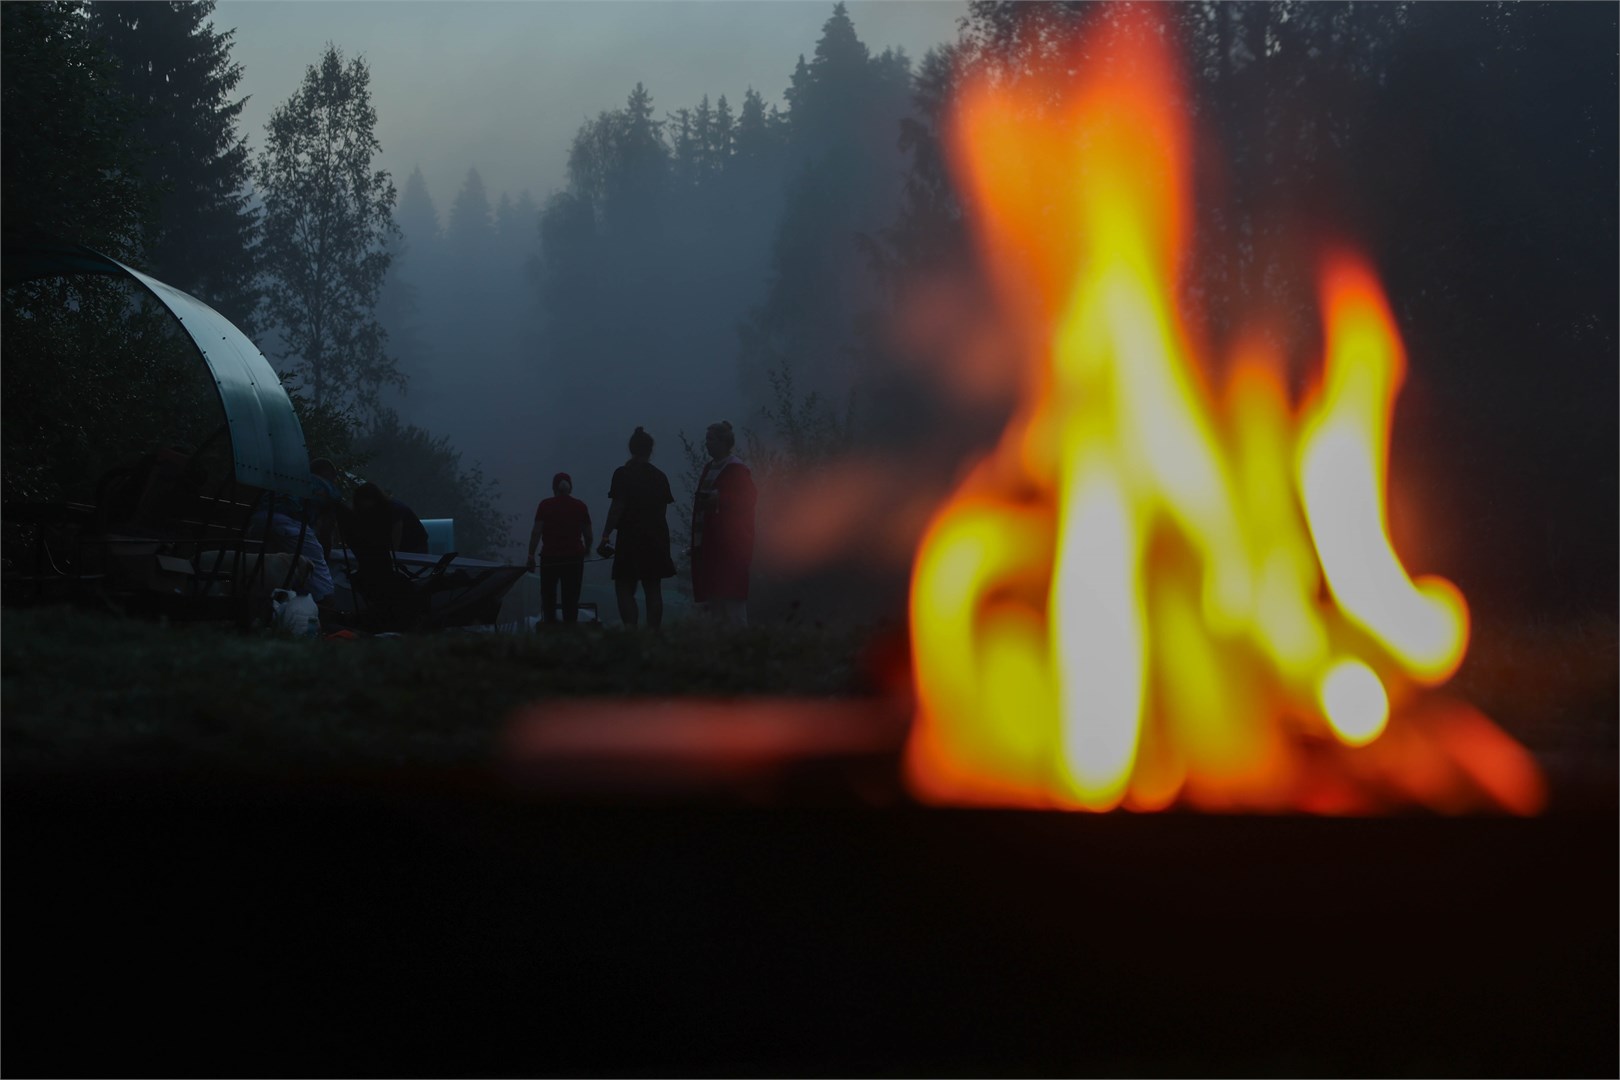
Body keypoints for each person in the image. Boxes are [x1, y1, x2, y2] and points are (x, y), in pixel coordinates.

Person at [599, 427, 676, 628]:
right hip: (656, 538)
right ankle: (653, 634)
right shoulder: (660, 477)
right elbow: (662, 512)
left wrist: (606, 536)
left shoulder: (623, 474)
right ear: (650, 450)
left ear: (631, 448)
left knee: (624, 586)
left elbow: (617, 507)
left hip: (630, 538)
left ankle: (631, 632)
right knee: (653, 588)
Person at [690, 420, 757, 627]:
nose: (707, 444)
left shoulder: (737, 469)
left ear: (723, 442)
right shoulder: (709, 467)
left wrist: (719, 500)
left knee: (732, 603)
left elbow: (747, 499)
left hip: (729, 545)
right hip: (709, 545)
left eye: (711, 439)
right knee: (714, 602)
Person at [526, 471, 594, 624]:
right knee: (571, 597)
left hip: (550, 559)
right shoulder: (580, 506)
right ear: (570, 488)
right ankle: (569, 631)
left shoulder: (545, 505)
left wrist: (531, 555)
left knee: (548, 596)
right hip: (574, 559)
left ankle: (550, 627)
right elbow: (588, 534)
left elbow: (536, 531)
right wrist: (587, 549)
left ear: (553, 488)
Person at [244, 494, 335, 603]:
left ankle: (258, 609)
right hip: (293, 525)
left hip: (259, 519)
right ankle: (321, 611)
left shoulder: (277, 478)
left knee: (260, 572)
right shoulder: (326, 489)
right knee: (323, 589)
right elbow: (326, 532)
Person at [352, 482, 430, 555]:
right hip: (410, 548)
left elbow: (395, 538)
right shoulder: (378, 510)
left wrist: (390, 556)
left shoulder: (393, 509)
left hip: (413, 548)